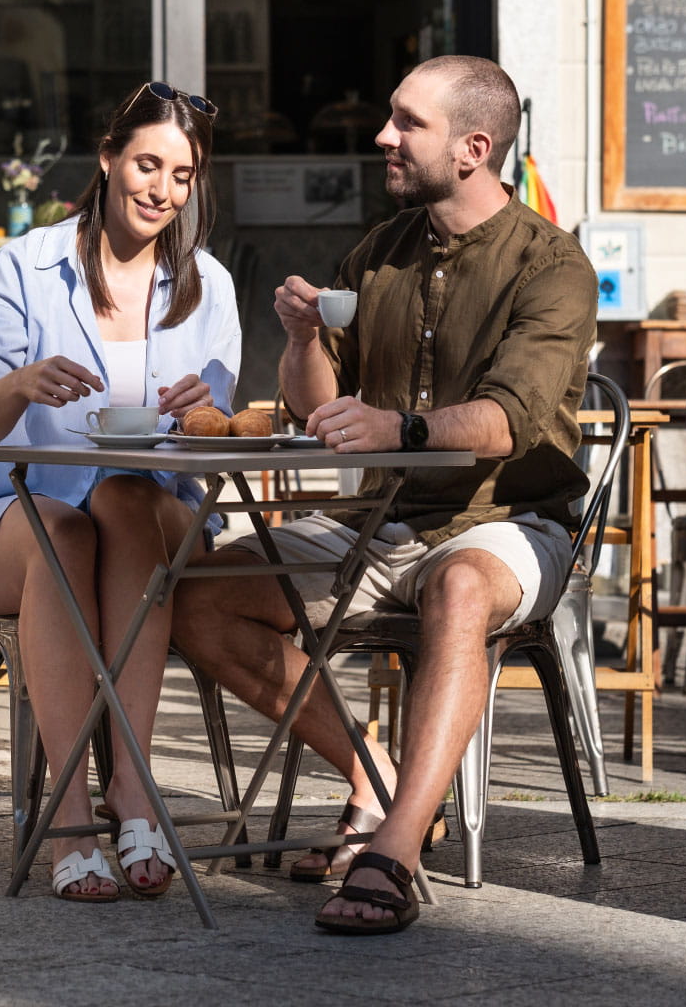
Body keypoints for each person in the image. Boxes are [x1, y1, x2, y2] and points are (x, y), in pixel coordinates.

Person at [172, 56, 597, 934]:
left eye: (407, 123)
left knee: (460, 586)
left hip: (508, 522)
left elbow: (508, 422)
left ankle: (394, 851)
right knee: (198, 597)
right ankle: (379, 777)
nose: (382, 138)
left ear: (474, 148)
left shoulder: (552, 267)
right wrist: (299, 340)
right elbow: (315, 403)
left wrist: (397, 428)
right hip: (378, 521)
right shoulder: (379, 253)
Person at [0, 82, 240, 902]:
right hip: (20, 522)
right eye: (148, 165)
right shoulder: (27, 267)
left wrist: (208, 416)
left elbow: (216, 444)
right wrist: (22, 384)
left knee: (125, 500)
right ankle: (71, 814)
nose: (163, 190)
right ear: (108, 159)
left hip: (153, 514)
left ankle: (132, 789)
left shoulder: (206, 284)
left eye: (184, 176)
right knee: (72, 527)